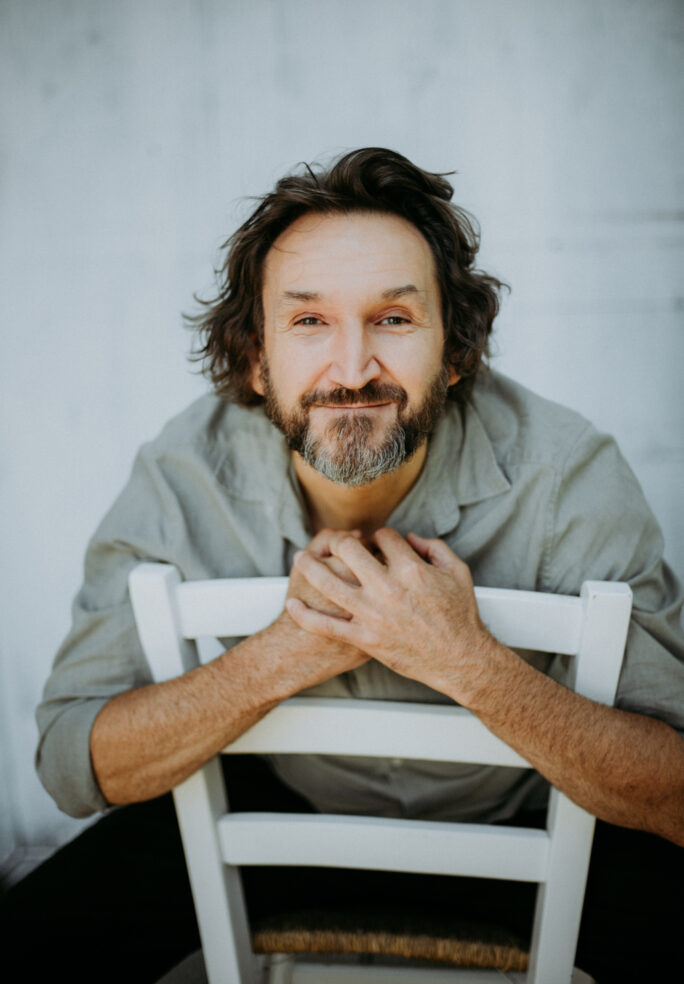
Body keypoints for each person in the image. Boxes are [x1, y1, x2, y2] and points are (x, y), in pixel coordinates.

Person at [2, 148, 683, 983]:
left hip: (527, 819)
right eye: (308, 322)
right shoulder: (185, 473)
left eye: (393, 319)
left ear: (456, 350)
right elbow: (73, 763)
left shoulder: (569, 475)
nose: (353, 370)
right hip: (285, 815)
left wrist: (468, 663)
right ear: (256, 358)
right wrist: (282, 655)